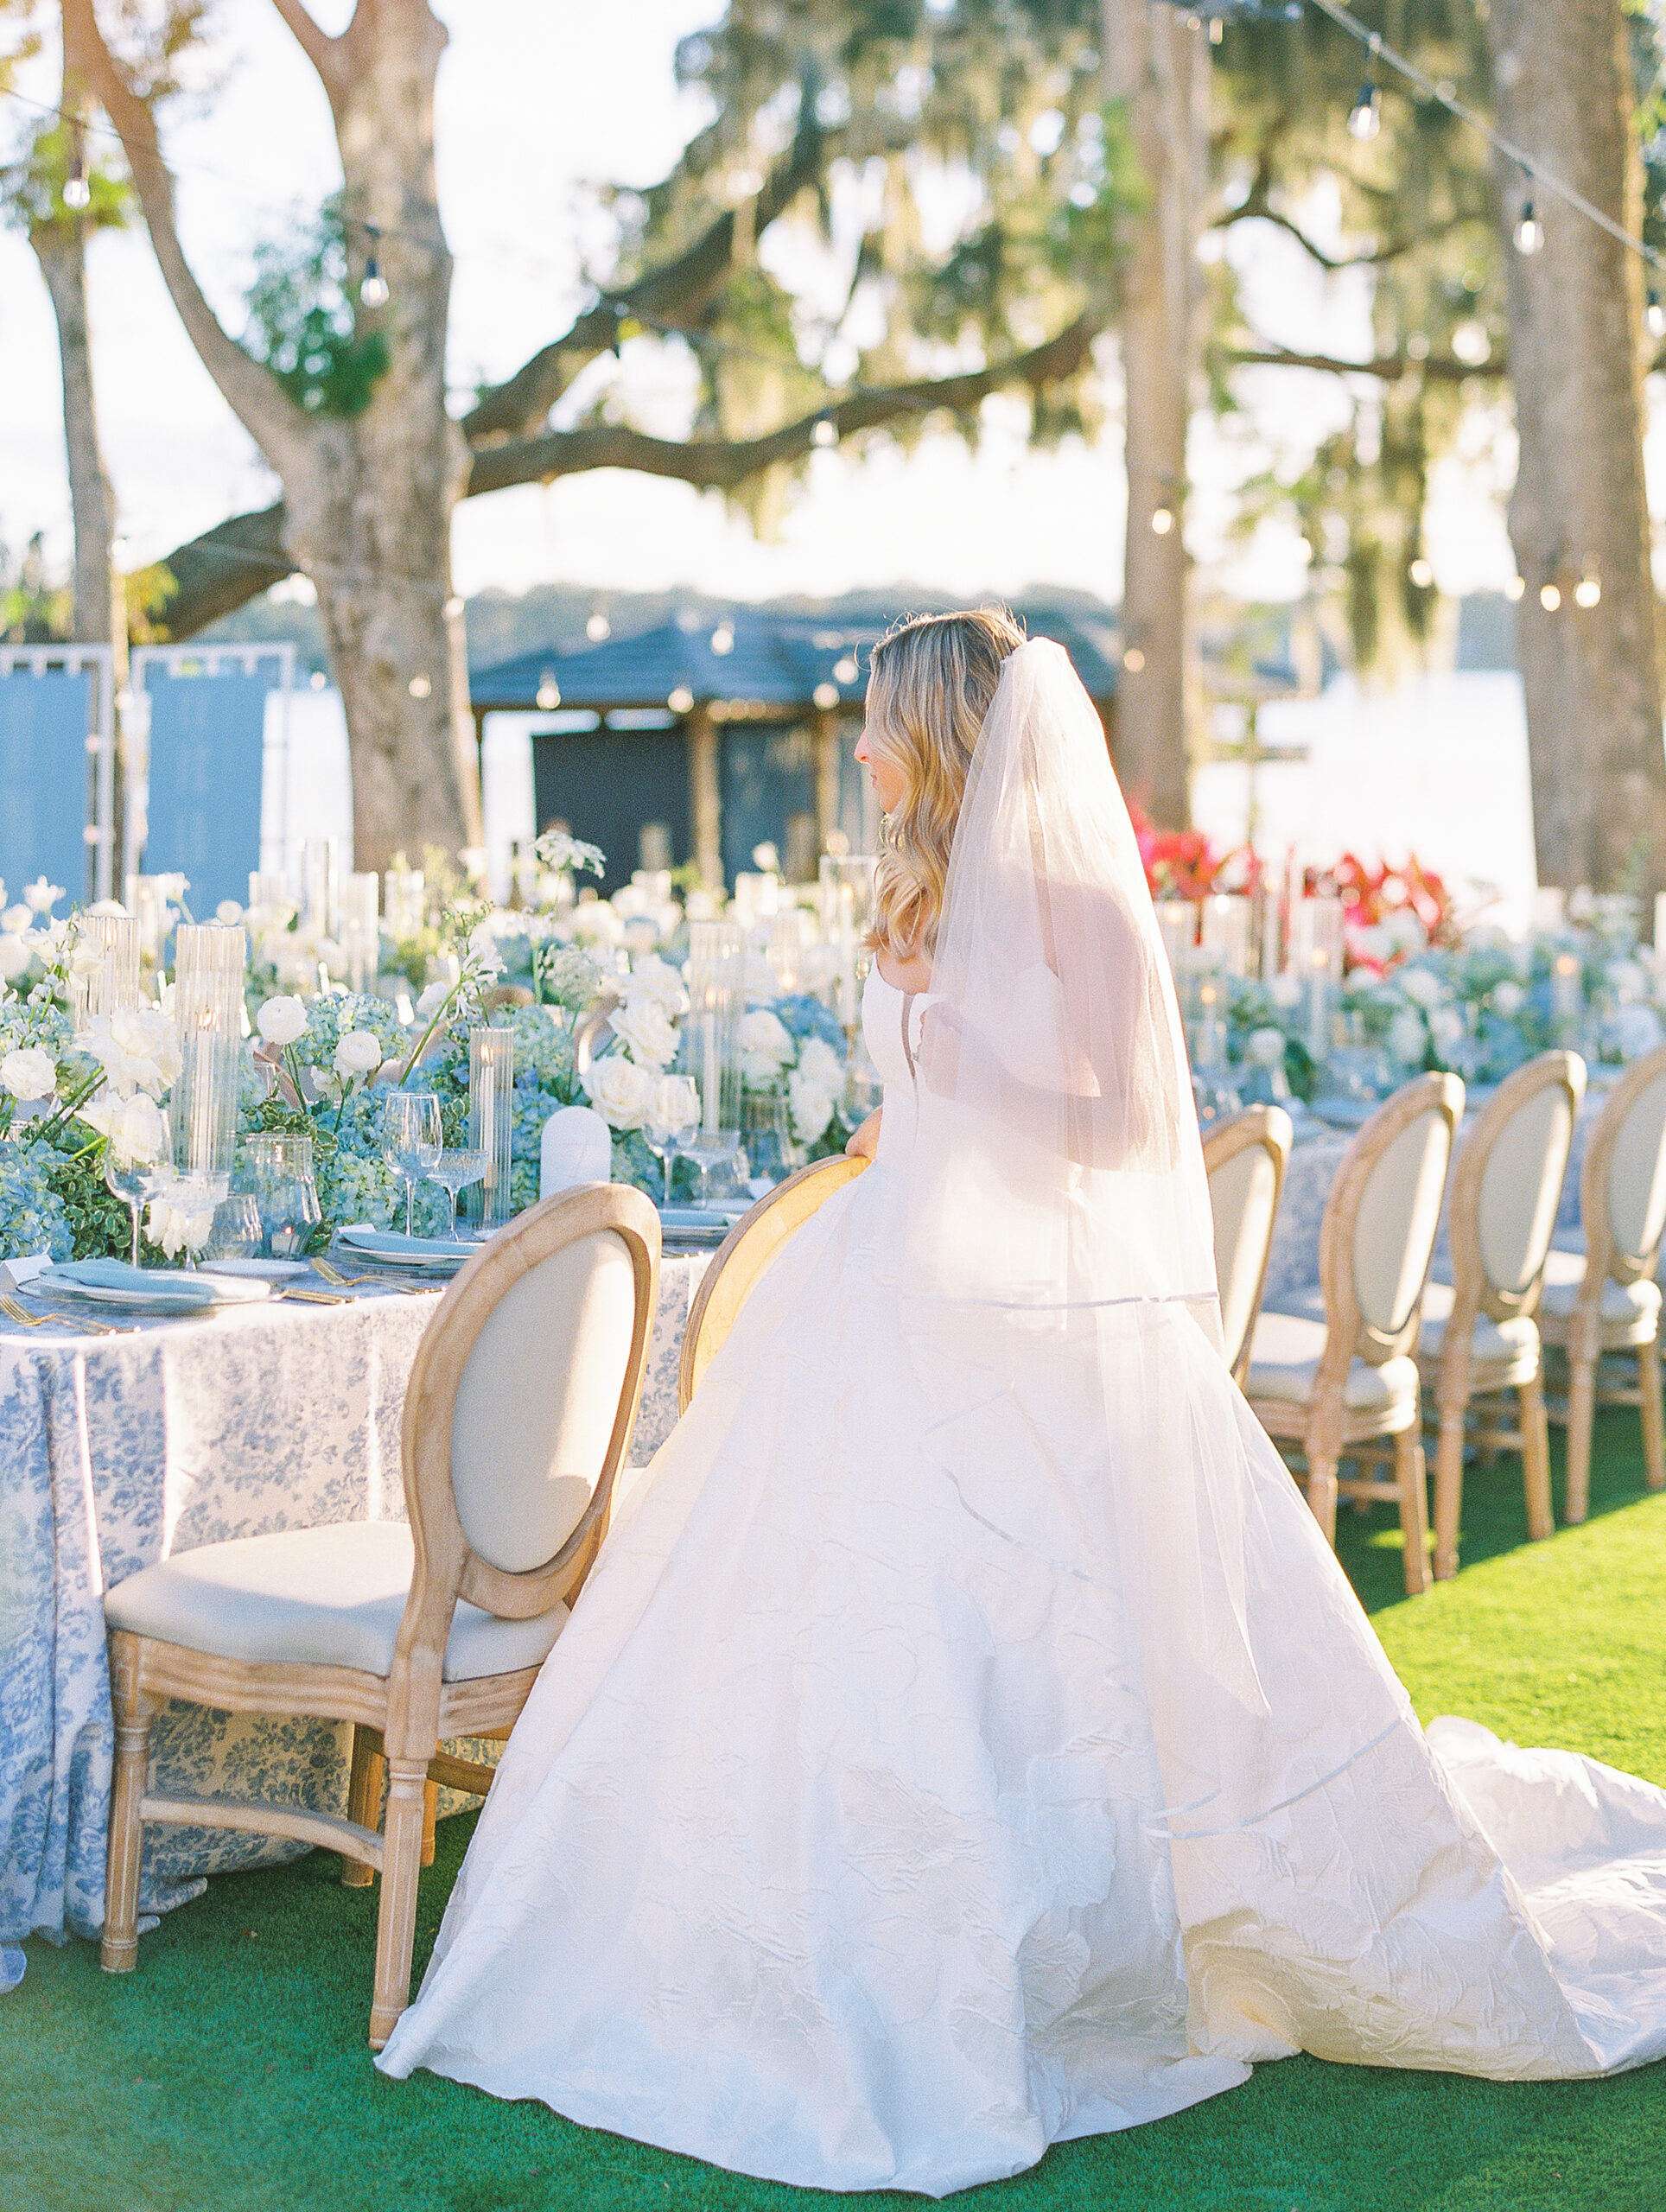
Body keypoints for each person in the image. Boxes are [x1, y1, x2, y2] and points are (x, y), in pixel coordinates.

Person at [378, 611, 1666, 2196]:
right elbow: (915, 1097)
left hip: (1016, 1330)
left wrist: (965, 1084)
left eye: (877, 722)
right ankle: (784, 1945)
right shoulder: (909, 904)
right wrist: (886, 1125)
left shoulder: (1074, 903)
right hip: (875, 1298)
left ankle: (1032, 1943)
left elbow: (1125, 1121)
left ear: (944, 732)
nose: (854, 747)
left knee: (1011, 1646)